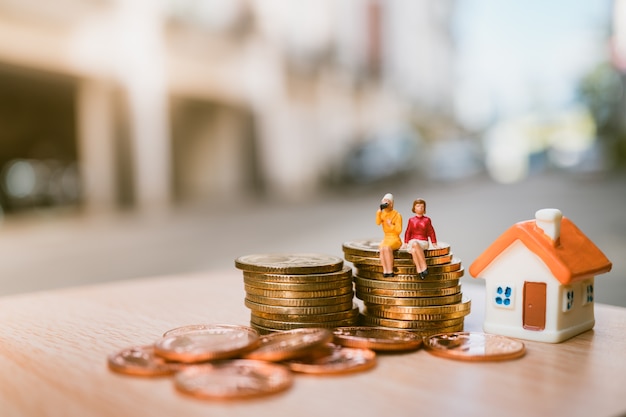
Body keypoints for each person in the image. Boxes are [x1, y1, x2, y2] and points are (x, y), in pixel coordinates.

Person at [404, 198, 438, 279]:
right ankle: (420, 270)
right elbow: (408, 231)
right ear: (414, 208)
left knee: (415, 245)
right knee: (413, 249)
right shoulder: (411, 220)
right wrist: (405, 242)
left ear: (424, 209)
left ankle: (423, 267)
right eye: (418, 206)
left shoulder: (427, 220)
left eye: (422, 206)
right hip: (413, 241)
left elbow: (431, 231)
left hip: (423, 242)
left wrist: (434, 243)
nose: (420, 208)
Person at [376, 193, 402, 277]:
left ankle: (390, 270)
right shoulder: (382, 214)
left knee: (387, 248)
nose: (385, 203)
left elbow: (399, 230)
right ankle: (385, 270)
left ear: (391, 204)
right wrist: (379, 212)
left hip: (395, 238)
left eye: (387, 201)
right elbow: (378, 222)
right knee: (382, 249)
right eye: (384, 201)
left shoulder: (397, 215)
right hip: (386, 238)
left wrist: (391, 225)